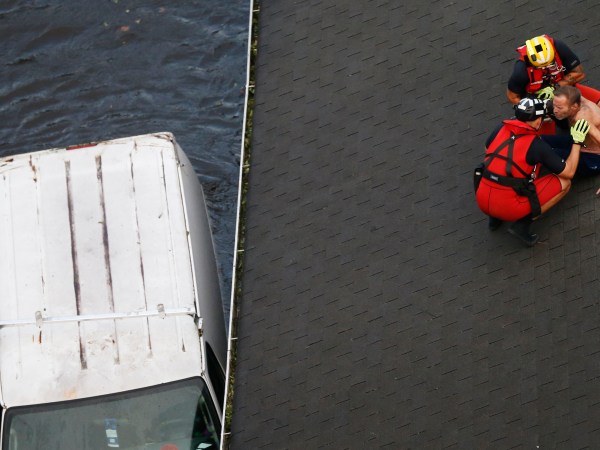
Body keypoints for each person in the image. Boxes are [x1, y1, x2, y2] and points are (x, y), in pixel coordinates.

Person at [476, 98, 590, 246]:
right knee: (565, 183)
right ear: (537, 120)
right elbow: (569, 172)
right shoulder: (536, 145)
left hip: (482, 199)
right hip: (509, 207)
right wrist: (577, 141)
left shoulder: (501, 127)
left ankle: (494, 219)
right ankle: (522, 225)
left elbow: (487, 149)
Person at [506, 34, 600, 106]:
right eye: (540, 66)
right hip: (538, 102)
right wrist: (530, 110)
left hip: (563, 88)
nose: (546, 68)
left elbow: (579, 73)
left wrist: (555, 87)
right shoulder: (521, 69)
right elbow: (512, 96)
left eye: (550, 63)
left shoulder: (559, 47)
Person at [546, 85, 600, 175]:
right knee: (540, 140)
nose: (555, 110)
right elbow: (567, 89)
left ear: (574, 107)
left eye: (559, 108)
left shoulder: (582, 118)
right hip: (580, 142)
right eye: (554, 105)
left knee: (547, 154)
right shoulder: (575, 98)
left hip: (593, 158)